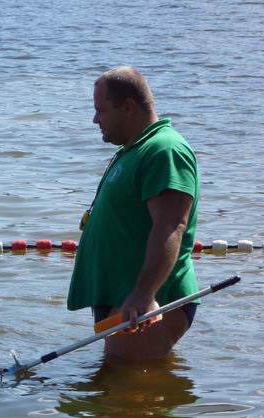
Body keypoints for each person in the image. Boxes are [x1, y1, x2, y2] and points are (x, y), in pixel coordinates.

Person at [67, 67, 200, 360]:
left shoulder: (164, 150)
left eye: (101, 110)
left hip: (147, 301)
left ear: (128, 106)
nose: (95, 120)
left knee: (124, 381)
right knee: (125, 384)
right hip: (126, 296)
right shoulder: (134, 149)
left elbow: (171, 225)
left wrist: (144, 294)